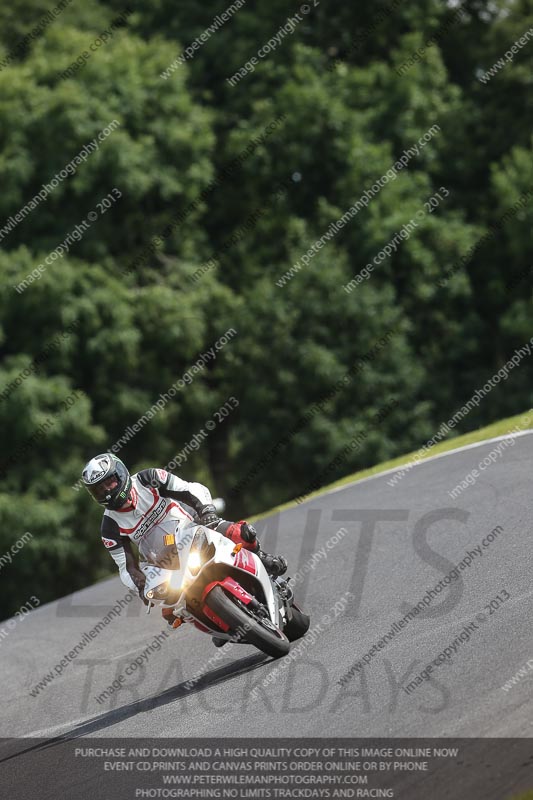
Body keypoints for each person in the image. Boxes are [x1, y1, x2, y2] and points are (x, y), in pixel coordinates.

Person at [81, 453, 287, 635]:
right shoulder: (109, 527)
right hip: (165, 564)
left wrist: (207, 512)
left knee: (240, 533)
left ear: (121, 475)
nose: (107, 491)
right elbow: (127, 568)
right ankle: (219, 620)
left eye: (109, 482)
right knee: (170, 611)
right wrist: (142, 587)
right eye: (99, 490)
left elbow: (190, 489)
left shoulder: (148, 479)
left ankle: (263, 559)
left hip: (195, 530)